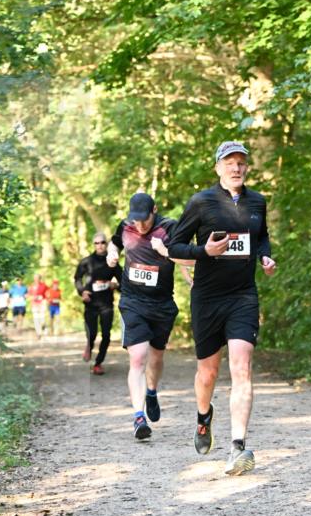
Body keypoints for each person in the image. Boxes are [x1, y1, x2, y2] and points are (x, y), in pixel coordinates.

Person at [166, 140, 276, 475]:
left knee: (242, 368)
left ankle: (238, 447)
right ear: (218, 168)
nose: (237, 168)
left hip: (243, 296)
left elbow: (261, 237)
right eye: (230, 162)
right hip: (207, 298)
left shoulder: (257, 201)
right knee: (208, 373)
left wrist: (265, 256)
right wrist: (205, 254)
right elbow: (174, 248)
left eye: (242, 162)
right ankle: (203, 417)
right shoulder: (201, 202)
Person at [107, 193, 193, 440]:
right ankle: (138, 416)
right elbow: (115, 242)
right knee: (138, 357)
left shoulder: (170, 227)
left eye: (144, 220)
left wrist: (165, 250)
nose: (140, 225)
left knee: (156, 357)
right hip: (132, 302)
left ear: (154, 210)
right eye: (136, 221)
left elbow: (188, 257)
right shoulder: (125, 226)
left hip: (162, 304)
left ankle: (152, 391)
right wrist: (112, 254)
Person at [74, 233, 122, 375]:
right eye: (97, 243)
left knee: (106, 335)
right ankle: (89, 345)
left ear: (106, 244)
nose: (100, 245)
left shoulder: (112, 262)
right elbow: (77, 278)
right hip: (91, 304)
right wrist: (82, 291)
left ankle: (98, 363)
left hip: (106, 303)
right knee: (92, 333)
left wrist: (115, 285)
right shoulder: (87, 262)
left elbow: (123, 282)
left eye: (102, 242)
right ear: (93, 245)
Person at [27, 273, 47, 338]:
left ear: (39, 279)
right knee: (36, 318)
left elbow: (48, 293)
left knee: (42, 318)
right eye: (35, 278)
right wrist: (31, 297)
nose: (36, 279)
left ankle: (43, 326)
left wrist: (44, 299)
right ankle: (39, 333)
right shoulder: (31, 286)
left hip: (42, 303)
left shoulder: (43, 285)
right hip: (34, 304)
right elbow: (28, 295)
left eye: (37, 278)